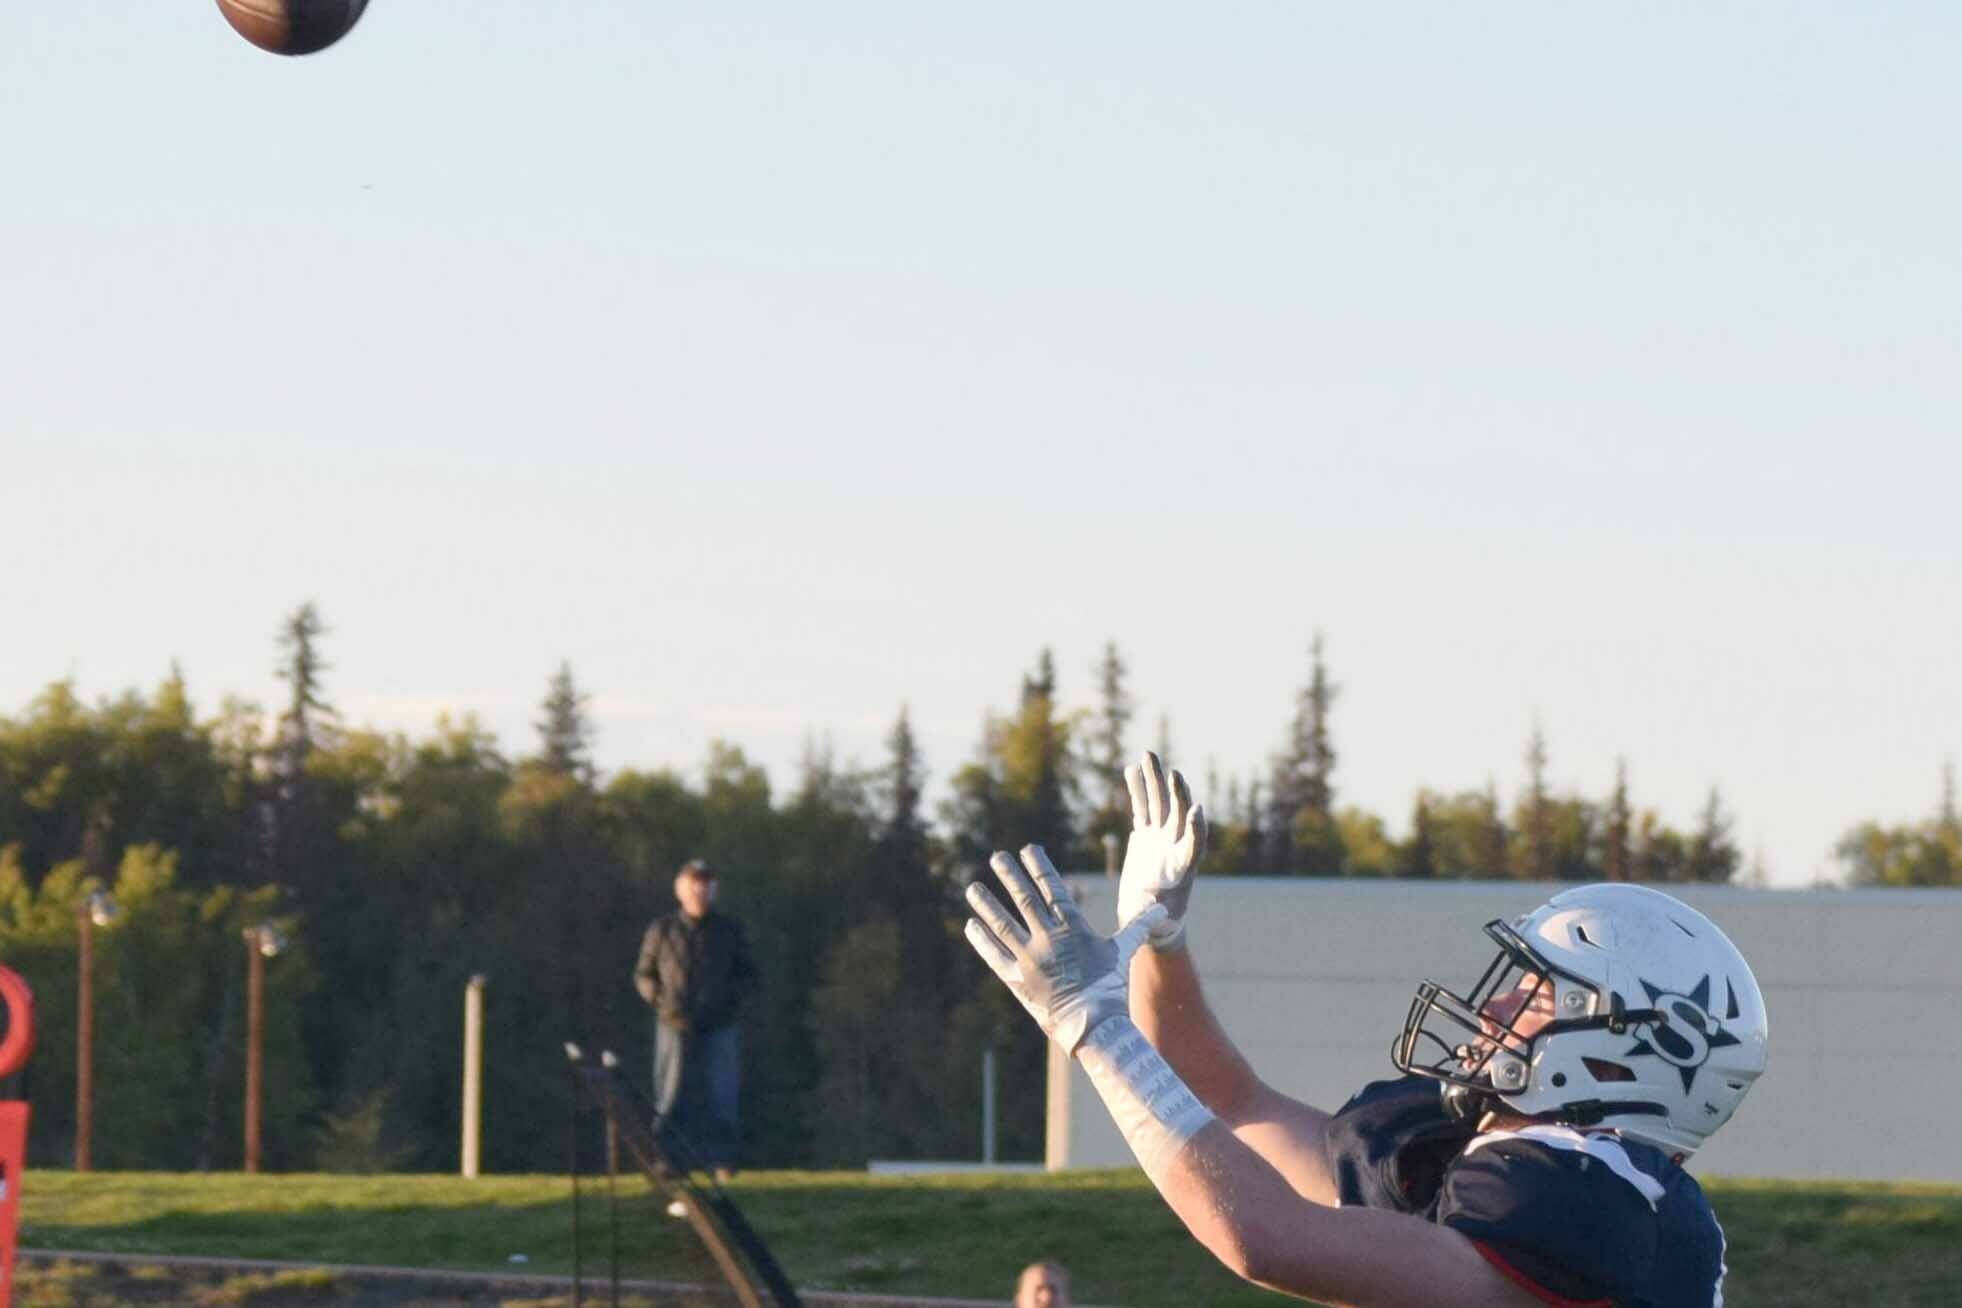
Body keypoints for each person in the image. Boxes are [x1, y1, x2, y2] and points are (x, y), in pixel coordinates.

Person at [963, 753, 1768, 1308]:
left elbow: (1268, 1239)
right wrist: (1158, 940)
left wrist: (1092, 1028)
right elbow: (1229, 1102)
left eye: (1536, 992)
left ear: (1627, 1062)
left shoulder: (1598, 1199)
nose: (1492, 1008)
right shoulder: (1476, 1158)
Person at [634, 858, 760, 1183]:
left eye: (705, 883)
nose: (699, 889)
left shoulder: (729, 930)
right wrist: (664, 1005)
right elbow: (644, 976)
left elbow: (748, 976)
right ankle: (668, 1161)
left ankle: (723, 1163)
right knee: (671, 1094)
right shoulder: (661, 930)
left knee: (723, 1095)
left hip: (720, 1025)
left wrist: (726, 1004)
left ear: (713, 890)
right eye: (694, 883)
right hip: (673, 1025)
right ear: (680, 889)